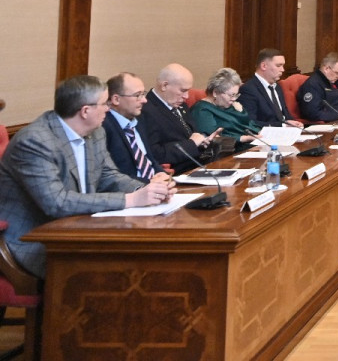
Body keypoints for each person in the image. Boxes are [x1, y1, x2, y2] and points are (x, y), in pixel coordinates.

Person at [0, 75, 173, 278]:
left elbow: (108, 175)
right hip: (35, 239)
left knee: (149, 254)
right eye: (104, 103)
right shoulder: (35, 141)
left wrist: (146, 190)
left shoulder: (95, 132)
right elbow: (57, 203)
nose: (108, 109)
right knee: (127, 265)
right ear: (85, 111)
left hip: (82, 226)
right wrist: (131, 199)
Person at [140, 63, 219, 172]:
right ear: (164, 85)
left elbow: (191, 135)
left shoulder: (180, 104)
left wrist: (203, 140)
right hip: (178, 172)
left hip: (200, 164)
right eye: (183, 90)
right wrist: (192, 144)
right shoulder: (146, 111)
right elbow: (156, 154)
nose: (186, 96)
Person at [101, 72, 163, 181]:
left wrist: (162, 174)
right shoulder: (103, 127)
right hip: (132, 188)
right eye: (137, 95)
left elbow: (149, 159)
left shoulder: (140, 119)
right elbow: (111, 175)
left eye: (143, 94)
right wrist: (150, 183)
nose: (144, 100)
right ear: (116, 99)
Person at [190, 68, 261, 150]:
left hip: (251, 145)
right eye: (231, 95)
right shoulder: (201, 110)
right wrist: (242, 138)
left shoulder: (228, 105)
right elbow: (213, 138)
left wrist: (259, 131)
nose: (234, 99)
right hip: (231, 151)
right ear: (215, 92)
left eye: (236, 95)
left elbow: (247, 123)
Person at [239, 48, 303, 127]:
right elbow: (250, 123)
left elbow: (285, 115)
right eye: (278, 66)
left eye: (283, 66)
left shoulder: (277, 86)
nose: (283, 70)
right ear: (264, 66)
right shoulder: (248, 89)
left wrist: (294, 123)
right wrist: (283, 125)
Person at [298, 52, 338, 121]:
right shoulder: (312, 84)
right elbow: (313, 113)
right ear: (326, 69)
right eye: (337, 73)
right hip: (328, 123)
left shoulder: (337, 81)